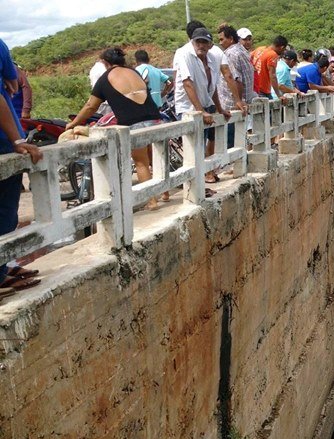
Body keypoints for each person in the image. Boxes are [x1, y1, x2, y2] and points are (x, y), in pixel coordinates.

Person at [65, 47, 165, 210]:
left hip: (134, 122)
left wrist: (74, 123)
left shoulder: (105, 79)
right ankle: (166, 193)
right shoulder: (134, 72)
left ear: (105, 63)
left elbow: (91, 106)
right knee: (155, 159)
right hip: (155, 118)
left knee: (141, 164)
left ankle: (152, 201)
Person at [0, 38, 42, 294]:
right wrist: (16, 138)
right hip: (2, 141)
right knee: (5, 211)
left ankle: (2, 267)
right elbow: (12, 81)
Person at [173, 27, 231, 192]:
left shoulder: (212, 58)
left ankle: (200, 184)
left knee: (199, 149)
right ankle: (195, 189)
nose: (201, 45)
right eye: (198, 42)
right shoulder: (184, 54)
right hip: (188, 109)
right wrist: (201, 111)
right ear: (192, 42)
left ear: (210, 45)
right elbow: (187, 83)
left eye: (205, 42)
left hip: (204, 106)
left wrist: (220, 109)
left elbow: (211, 88)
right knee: (193, 149)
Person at [217, 24, 254, 147]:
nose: (220, 43)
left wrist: (238, 100)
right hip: (242, 102)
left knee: (231, 143)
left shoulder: (231, 54)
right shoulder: (242, 51)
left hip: (232, 105)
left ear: (231, 39)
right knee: (239, 141)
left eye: (222, 39)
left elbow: (236, 79)